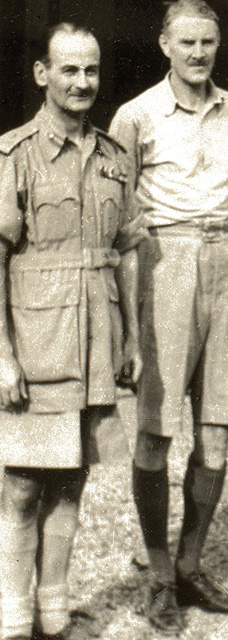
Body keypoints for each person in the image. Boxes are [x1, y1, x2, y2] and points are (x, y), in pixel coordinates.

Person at [109, 0, 228, 633]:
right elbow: (118, 214)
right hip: (162, 261)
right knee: (156, 431)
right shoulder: (135, 115)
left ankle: (193, 566)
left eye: (208, 42)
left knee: (218, 430)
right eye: (187, 43)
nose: (199, 54)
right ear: (165, 45)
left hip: (224, 257)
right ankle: (160, 569)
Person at [0, 23, 141, 640]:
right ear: (42, 74)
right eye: (68, 70)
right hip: (37, 349)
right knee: (23, 487)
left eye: (90, 71)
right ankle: (11, 619)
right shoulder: (15, 155)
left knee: (72, 479)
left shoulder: (113, 158)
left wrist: (132, 338)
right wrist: (1, 355)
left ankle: (53, 617)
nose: (82, 83)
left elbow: (129, 251)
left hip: (95, 346)